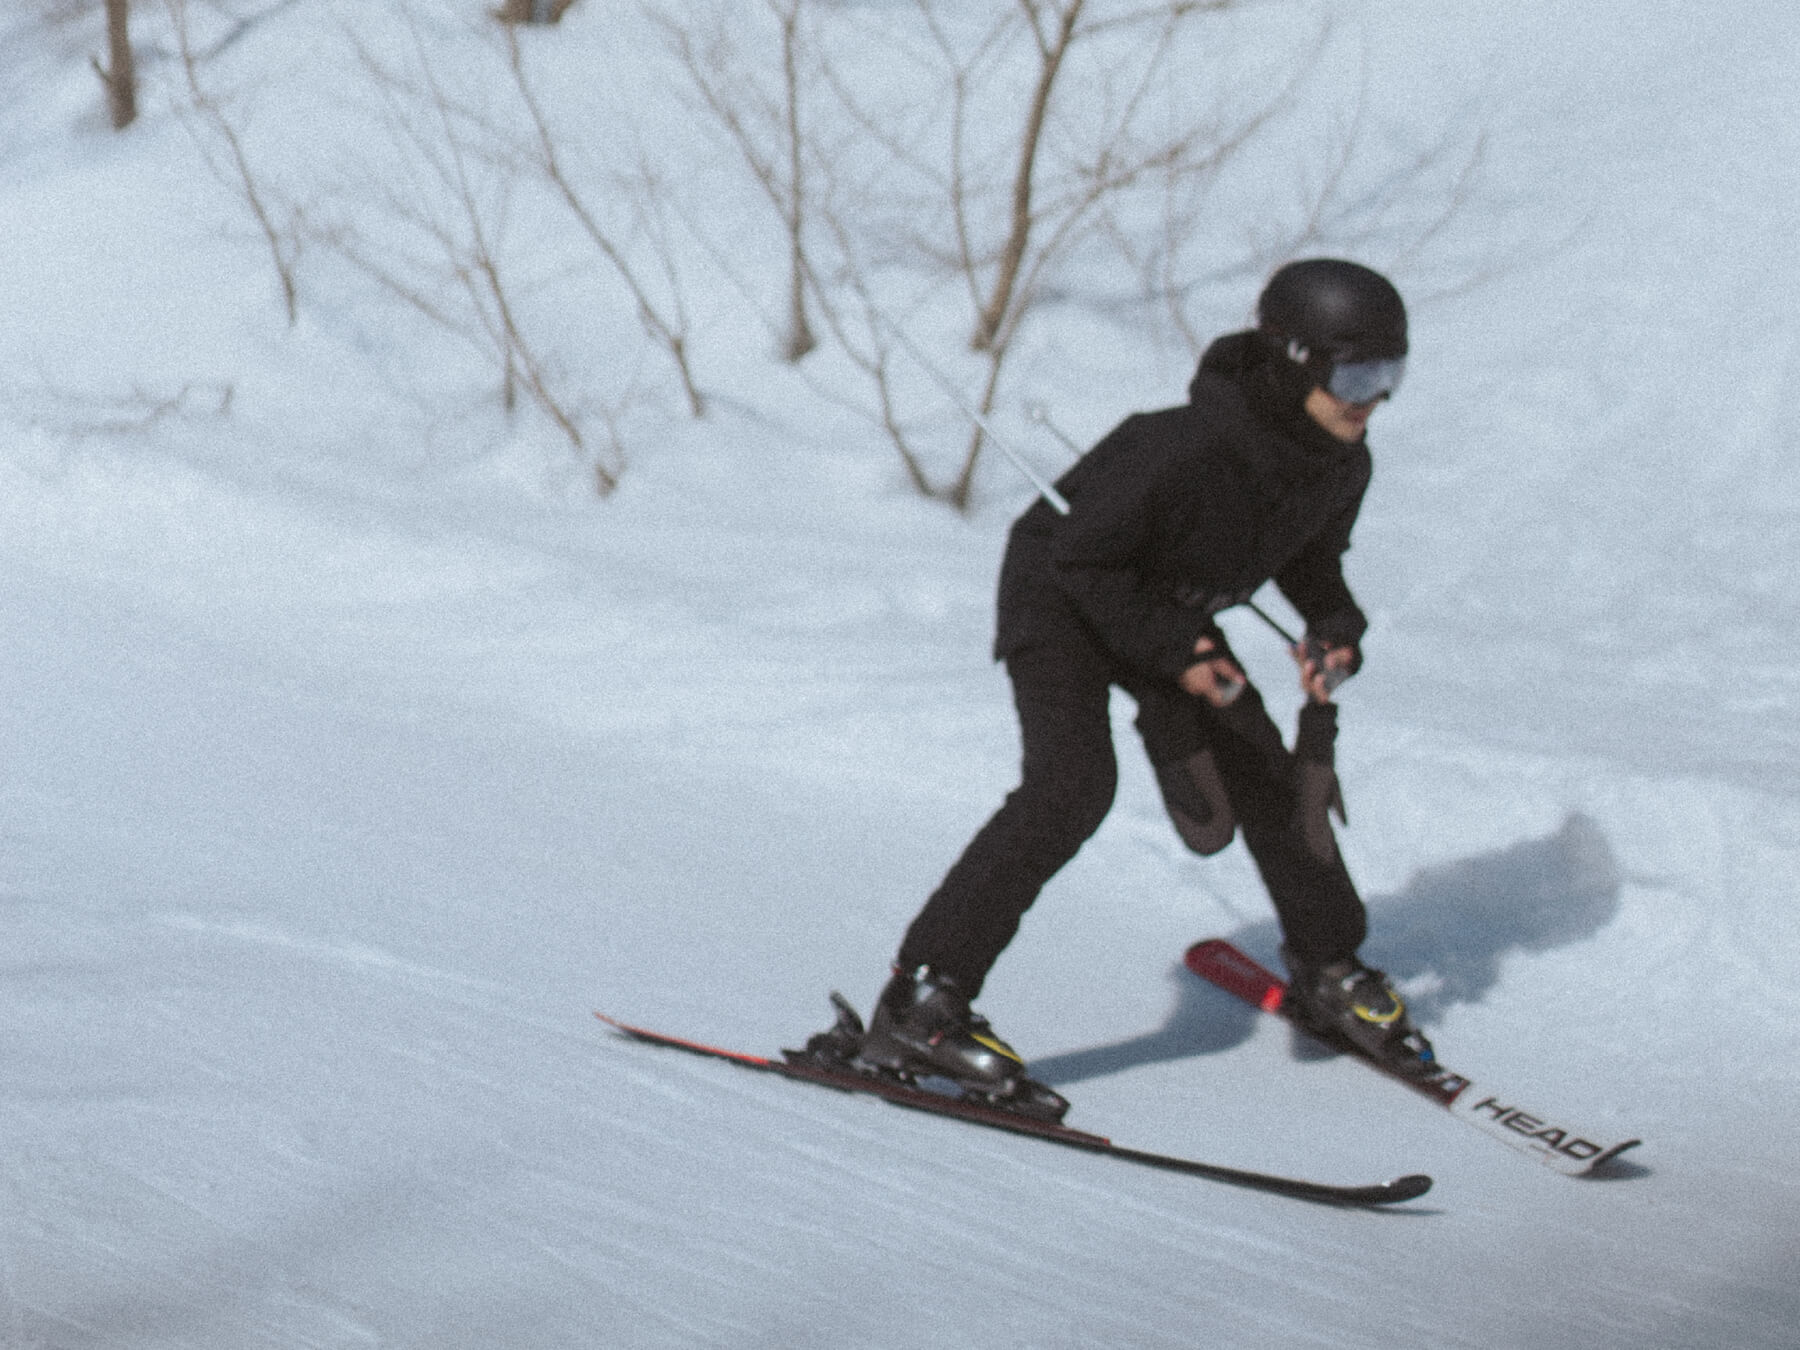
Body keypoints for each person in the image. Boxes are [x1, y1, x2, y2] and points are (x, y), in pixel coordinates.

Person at [852, 259, 1435, 1119]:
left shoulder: (1340, 464)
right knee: (1072, 786)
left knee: (1268, 776)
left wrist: (1334, 626)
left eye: (1391, 375)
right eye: (1354, 375)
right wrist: (1178, 648)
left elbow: (1311, 559)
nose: (1371, 399)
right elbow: (1082, 557)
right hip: (1061, 593)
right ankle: (921, 1002)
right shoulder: (1181, 445)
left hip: (1167, 611)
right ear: (1293, 360)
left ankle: (1329, 967)